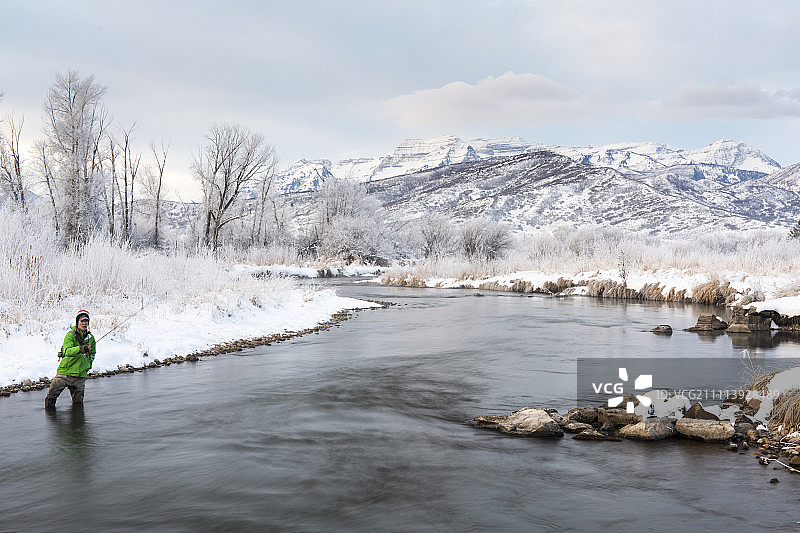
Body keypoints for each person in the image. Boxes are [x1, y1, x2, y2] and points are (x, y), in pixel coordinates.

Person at [44, 310, 96, 409]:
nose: (84, 323)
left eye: (86, 321)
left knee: (78, 405)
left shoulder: (91, 338)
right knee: (51, 399)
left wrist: (88, 363)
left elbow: (93, 353)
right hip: (65, 373)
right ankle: (50, 417)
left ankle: (77, 423)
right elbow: (67, 351)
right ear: (77, 322)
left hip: (80, 375)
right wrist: (81, 349)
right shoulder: (70, 335)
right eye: (82, 321)